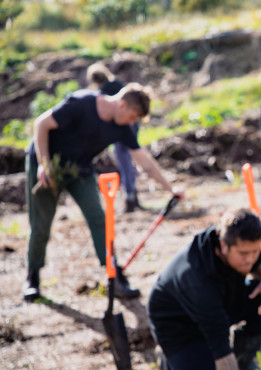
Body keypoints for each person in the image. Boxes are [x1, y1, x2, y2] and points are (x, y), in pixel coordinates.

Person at [24, 82, 185, 302]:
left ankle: (114, 275)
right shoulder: (81, 104)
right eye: (132, 116)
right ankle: (32, 278)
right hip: (46, 164)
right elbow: (41, 124)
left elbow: (143, 160)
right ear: (122, 104)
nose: (132, 122)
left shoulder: (120, 127)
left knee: (100, 219)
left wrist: (170, 188)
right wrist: (43, 164)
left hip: (79, 170)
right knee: (41, 224)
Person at [147, 208, 261, 370]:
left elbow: (259, 260)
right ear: (223, 246)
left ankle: (244, 364)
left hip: (219, 302)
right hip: (178, 325)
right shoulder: (195, 278)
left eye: (255, 251)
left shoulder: (233, 238)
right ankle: (170, 368)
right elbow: (220, 345)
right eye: (244, 253)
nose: (250, 259)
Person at [86, 62, 142, 213]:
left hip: (123, 129)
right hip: (133, 127)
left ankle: (130, 198)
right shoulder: (118, 83)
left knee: (124, 162)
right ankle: (134, 196)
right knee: (129, 162)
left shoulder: (104, 90)